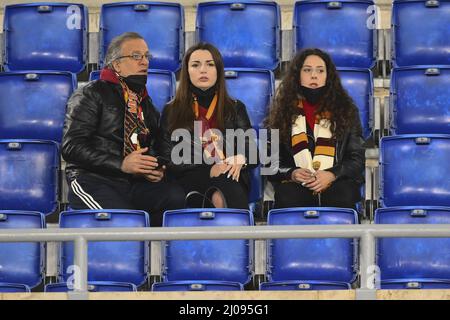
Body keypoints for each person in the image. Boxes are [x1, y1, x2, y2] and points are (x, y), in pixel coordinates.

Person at [62, 32, 184, 226]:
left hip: (133, 183)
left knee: (177, 198)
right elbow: (71, 147)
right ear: (116, 64)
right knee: (122, 222)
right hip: (92, 179)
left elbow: (150, 148)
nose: (144, 62)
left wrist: (153, 168)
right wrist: (121, 164)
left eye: (146, 56)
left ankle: (153, 253)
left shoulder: (146, 105)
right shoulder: (90, 93)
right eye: (136, 56)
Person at [159, 43, 256, 209]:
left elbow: (251, 150)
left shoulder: (235, 107)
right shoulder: (172, 109)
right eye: (195, 65)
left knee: (224, 186)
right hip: (189, 176)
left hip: (230, 174)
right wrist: (208, 169)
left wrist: (241, 158)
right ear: (186, 71)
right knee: (218, 191)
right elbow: (167, 156)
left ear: (218, 70)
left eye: (210, 64)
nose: (203, 70)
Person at [266, 48, 365, 209]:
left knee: (343, 194)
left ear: (328, 76)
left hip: (335, 182)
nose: (314, 75)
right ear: (297, 76)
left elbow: (357, 159)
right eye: (307, 70)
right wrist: (292, 173)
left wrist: (332, 174)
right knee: (287, 195)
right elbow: (269, 163)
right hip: (296, 185)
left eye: (320, 71)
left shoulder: (346, 110)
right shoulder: (279, 112)